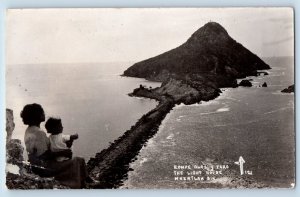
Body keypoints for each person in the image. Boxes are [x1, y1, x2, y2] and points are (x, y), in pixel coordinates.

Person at [20, 103, 89, 189]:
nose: (44, 114)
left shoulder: (29, 130)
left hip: (36, 166)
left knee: (76, 160)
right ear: (36, 116)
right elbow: (44, 156)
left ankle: (84, 182)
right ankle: (80, 184)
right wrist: (63, 152)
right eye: (42, 112)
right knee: (78, 160)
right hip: (45, 168)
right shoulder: (39, 133)